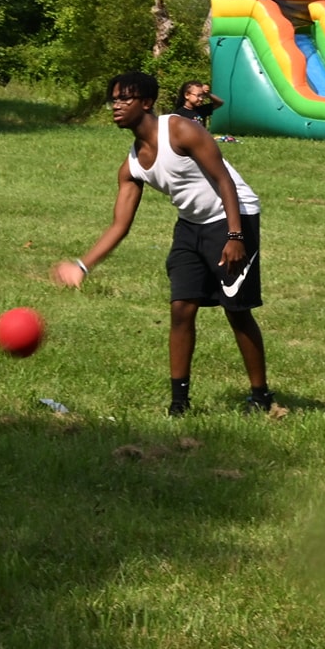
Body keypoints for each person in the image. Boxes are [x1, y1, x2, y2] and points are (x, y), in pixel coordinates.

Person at [53, 71, 271, 417]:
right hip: (190, 226)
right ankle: (179, 404)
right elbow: (120, 225)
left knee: (237, 311)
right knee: (181, 308)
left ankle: (261, 397)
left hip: (233, 216)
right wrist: (82, 266)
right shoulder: (133, 165)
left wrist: (235, 236)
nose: (117, 106)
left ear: (147, 103)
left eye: (125, 99)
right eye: (114, 99)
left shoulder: (181, 130)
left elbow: (223, 179)